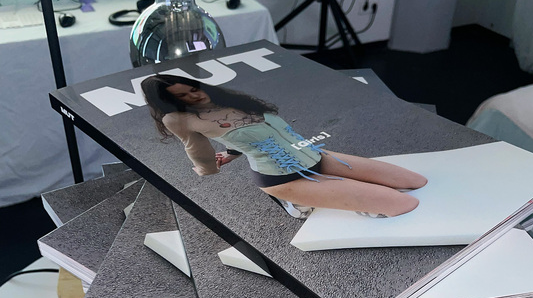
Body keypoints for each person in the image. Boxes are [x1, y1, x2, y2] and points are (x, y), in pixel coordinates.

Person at [140, 74, 427, 218]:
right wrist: (207, 169)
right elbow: (197, 149)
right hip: (281, 177)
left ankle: (312, 194)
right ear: (171, 102)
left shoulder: (226, 100)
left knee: (414, 181)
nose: (195, 96)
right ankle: (294, 200)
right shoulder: (179, 119)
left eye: (193, 88)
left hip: (312, 155)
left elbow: (254, 133)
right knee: (403, 204)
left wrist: (232, 152)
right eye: (183, 96)